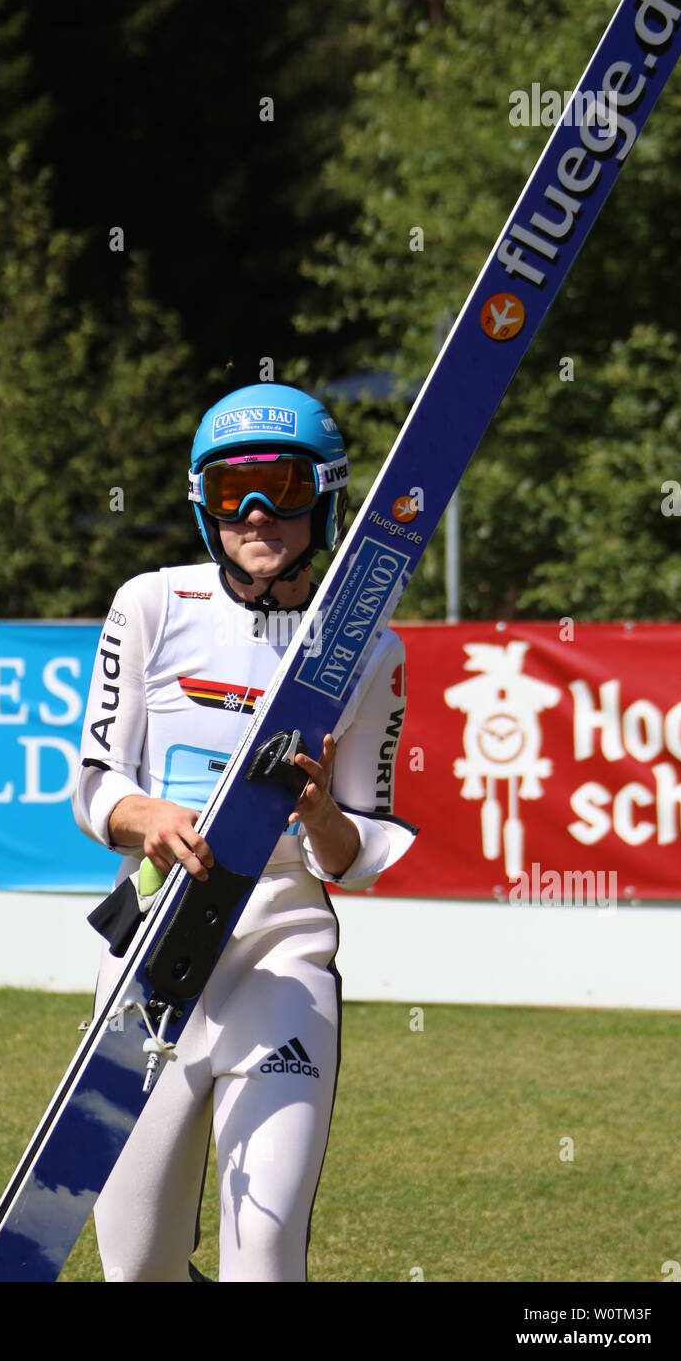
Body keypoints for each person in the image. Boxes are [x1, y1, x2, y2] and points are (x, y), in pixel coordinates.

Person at [72, 383, 415, 1282]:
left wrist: (317, 813)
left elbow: (358, 857)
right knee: (137, 1268)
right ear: (202, 505)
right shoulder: (148, 604)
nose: (256, 515)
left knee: (261, 1256)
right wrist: (149, 817)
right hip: (153, 954)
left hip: (280, 958)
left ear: (327, 493)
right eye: (231, 494)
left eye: (281, 487)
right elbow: (95, 785)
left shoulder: (371, 647)